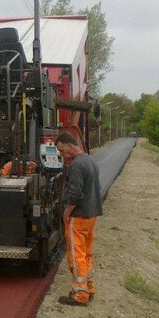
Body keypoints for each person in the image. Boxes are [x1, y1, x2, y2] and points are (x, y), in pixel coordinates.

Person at [55, 131, 103, 306]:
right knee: (86, 254)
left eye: (61, 150)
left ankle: (80, 295)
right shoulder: (89, 160)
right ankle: (88, 287)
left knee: (76, 256)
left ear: (69, 144)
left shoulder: (76, 165)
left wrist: (66, 213)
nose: (62, 154)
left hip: (79, 216)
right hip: (91, 215)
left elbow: (75, 194)